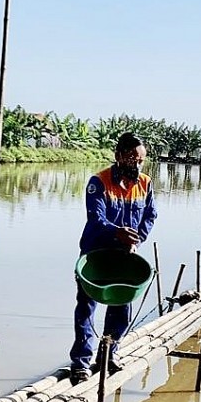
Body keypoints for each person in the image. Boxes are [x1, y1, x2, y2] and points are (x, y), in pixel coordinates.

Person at [69, 132, 158, 385]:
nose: (136, 165)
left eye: (140, 160)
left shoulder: (145, 183)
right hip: (97, 254)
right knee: (86, 308)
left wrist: (136, 239)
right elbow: (96, 219)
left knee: (121, 307)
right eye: (132, 159)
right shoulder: (98, 182)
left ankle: (108, 354)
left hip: (124, 256)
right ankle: (81, 362)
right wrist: (117, 232)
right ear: (118, 156)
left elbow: (150, 215)